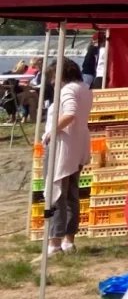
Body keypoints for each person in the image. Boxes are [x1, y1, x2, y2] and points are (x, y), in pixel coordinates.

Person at [40, 59, 93, 258]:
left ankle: (54, 242)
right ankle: (68, 240)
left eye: (54, 77)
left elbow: (69, 114)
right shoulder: (84, 88)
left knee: (56, 192)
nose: (53, 81)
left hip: (64, 145)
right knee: (71, 193)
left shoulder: (69, 90)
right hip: (78, 143)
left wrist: (50, 132)